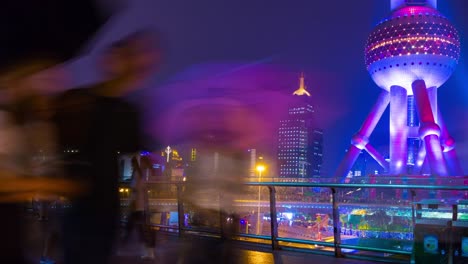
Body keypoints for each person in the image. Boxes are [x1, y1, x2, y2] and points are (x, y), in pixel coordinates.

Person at [52, 30, 160, 264]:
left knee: (98, 254)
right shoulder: (78, 100)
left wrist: (150, 162)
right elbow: (57, 142)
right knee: (77, 253)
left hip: (107, 202)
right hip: (77, 198)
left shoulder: (129, 110)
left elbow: (137, 150)